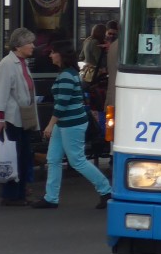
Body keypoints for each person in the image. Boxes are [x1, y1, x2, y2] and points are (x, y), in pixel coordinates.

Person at [32, 39, 112, 209]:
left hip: (69, 123)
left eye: (53, 52)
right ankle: (51, 197)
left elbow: (62, 104)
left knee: (75, 160)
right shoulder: (69, 73)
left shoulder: (66, 75)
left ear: (61, 55)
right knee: (55, 159)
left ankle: (106, 189)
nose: (51, 55)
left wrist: (50, 125)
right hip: (69, 123)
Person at [0, 27, 39, 206]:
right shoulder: (7, 64)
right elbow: (1, 93)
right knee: (14, 156)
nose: (33, 46)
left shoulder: (22, 62)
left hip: (23, 117)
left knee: (24, 155)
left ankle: (20, 193)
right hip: (11, 118)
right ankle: (12, 195)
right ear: (19, 45)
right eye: (29, 43)